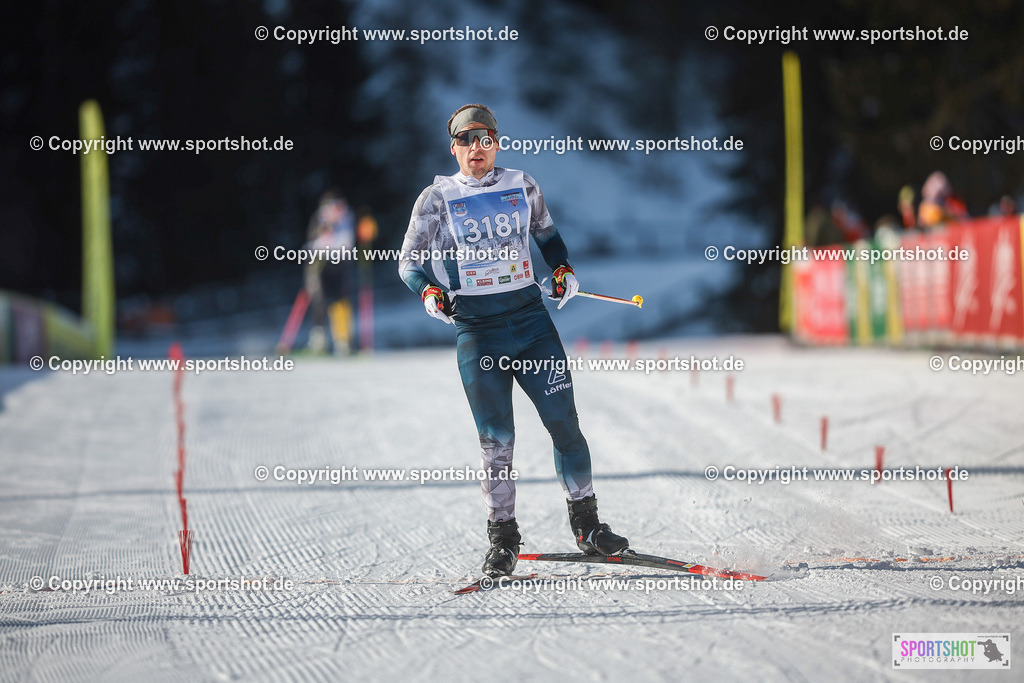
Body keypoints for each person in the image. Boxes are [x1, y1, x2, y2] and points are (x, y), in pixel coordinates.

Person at [398, 103, 628, 577]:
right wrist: (428, 292)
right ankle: (503, 540)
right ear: (454, 147)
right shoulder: (436, 199)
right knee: (496, 441)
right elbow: (409, 262)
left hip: (531, 323)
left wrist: (562, 269)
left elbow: (548, 236)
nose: (475, 148)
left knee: (565, 424)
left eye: (484, 139)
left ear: (497, 142)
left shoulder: (521, 185)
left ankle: (588, 526)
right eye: (465, 140)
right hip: (479, 333)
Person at [305, 190, 356, 354]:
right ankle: (318, 341)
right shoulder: (319, 218)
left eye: (339, 207)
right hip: (320, 262)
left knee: (340, 300)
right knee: (318, 299)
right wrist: (322, 232)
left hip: (339, 262)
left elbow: (350, 240)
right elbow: (312, 241)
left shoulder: (347, 217)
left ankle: (343, 341)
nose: (336, 211)